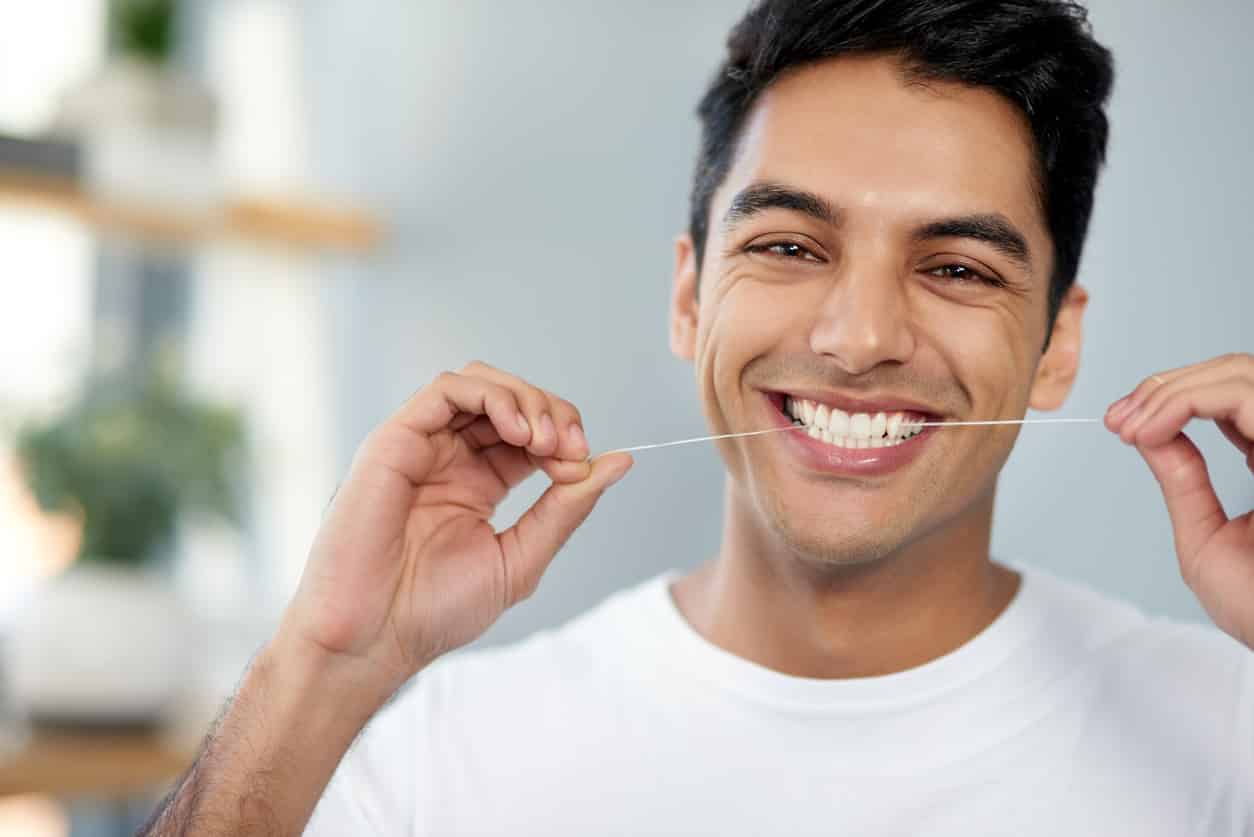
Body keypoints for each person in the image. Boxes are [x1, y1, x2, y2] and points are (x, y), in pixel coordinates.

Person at [141, 1, 1254, 834]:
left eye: (957, 267)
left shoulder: (1226, 736)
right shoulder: (443, 760)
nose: (859, 339)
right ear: (689, 295)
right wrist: (322, 666)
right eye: (787, 246)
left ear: (1057, 344)